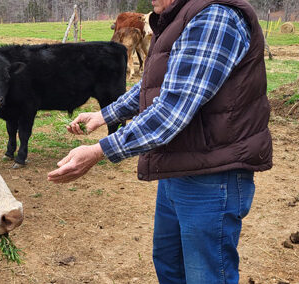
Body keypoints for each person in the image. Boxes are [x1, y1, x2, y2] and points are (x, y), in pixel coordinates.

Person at [48, 0, 273, 283]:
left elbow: (172, 109)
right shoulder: (177, 17)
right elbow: (158, 85)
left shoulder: (215, 17)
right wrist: (105, 115)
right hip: (182, 163)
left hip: (213, 175)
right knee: (170, 266)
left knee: (206, 275)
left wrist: (99, 150)